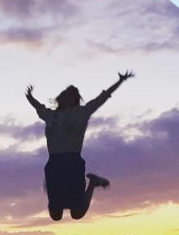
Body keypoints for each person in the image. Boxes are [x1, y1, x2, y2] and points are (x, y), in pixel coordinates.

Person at [25, 71, 134, 221]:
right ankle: (61, 188)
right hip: (54, 164)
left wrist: (120, 81)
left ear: (76, 99)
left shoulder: (82, 113)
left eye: (72, 94)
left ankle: (93, 183)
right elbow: (37, 106)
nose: (67, 96)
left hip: (72, 162)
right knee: (55, 215)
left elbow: (102, 98)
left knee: (77, 213)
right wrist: (29, 96)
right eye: (66, 93)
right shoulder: (50, 115)